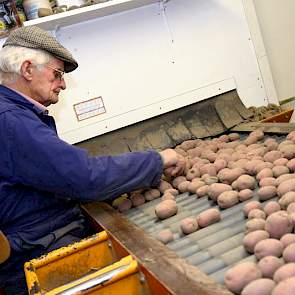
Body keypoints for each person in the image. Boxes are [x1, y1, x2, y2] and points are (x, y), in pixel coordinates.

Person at [0, 26, 185, 295]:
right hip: (39, 253)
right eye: (58, 74)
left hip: (39, 239)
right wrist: (157, 160)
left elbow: (64, 171)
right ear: (28, 70)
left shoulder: (15, 113)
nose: (62, 84)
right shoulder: (11, 120)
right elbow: (86, 177)